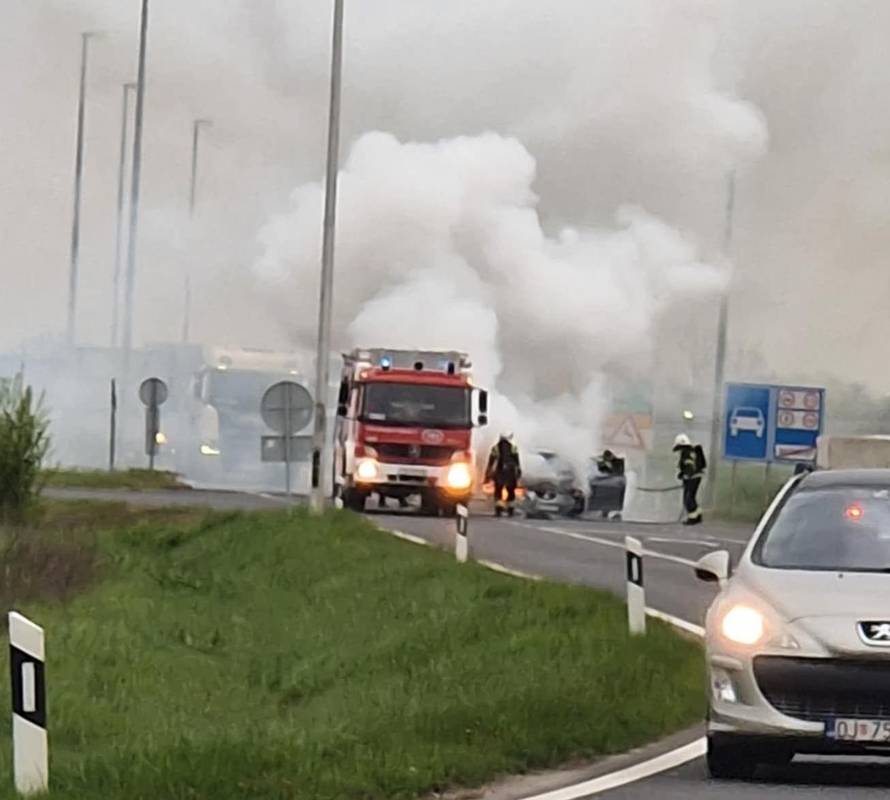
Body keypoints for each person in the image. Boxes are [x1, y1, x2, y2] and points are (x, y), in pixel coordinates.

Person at [486, 432, 522, 517]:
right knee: (511, 491)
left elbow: (491, 460)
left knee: (498, 491)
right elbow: (517, 461)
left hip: (500, 472)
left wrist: (488, 471)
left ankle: (499, 511)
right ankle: (510, 511)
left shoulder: (496, 447)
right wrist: (518, 471)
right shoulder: (513, 447)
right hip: (511, 472)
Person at [673, 433, 706, 525]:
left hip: (692, 477)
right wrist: (682, 474)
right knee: (691, 497)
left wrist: (686, 475)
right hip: (697, 476)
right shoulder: (692, 451)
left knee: (688, 499)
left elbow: (689, 465)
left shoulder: (686, 453)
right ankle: (698, 516)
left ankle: (692, 519)